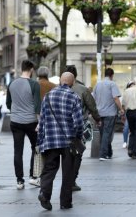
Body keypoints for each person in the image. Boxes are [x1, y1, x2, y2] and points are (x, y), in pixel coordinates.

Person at [37, 72, 83, 211]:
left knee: (49, 168)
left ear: (59, 81)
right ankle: (65, 202)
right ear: (72, 82)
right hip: (68, 141)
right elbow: (78, 123)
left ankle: (45, 194)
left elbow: (42, 121)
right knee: (68, 172)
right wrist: (78, 136)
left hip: (50, 139)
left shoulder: (48, 96)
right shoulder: (74, 97)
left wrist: (40, 140)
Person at [6, 60, 41, 189]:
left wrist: (16, 112)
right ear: (31, 69)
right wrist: (40, 123)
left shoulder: (11, 83)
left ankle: (19, 181)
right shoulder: (34, 84)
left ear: (22, 68)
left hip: (15, 121)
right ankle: (34, 177)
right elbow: (37, 105)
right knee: (36, 149)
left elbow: (8, 104)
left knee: (18, 151)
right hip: (32, 122)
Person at [65, 65, 101, 191]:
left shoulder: (58, 89)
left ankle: (67, 179)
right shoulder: (83, 89)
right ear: (75, 76)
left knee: (66, 154)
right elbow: (92, 106)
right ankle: (72, 180)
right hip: (80, 125)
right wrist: (97, 119)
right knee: (78, 152)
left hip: (64, 126)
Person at [93, 68, 124, 161]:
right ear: (112, 75)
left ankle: (109, 153)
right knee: (107, 133)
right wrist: (121, 109)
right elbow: (115, 98)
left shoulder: (97, 85)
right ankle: (103, 154)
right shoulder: (112, 84)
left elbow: (93, 98)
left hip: (99, 113)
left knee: (103, 133)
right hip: (110, 113)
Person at [122, 77, 136, 159]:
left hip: (129, 113)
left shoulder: (127, 91)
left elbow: (123, 104)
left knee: (132, 131)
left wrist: (123, 114)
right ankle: (134, 151)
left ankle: (130, 149)